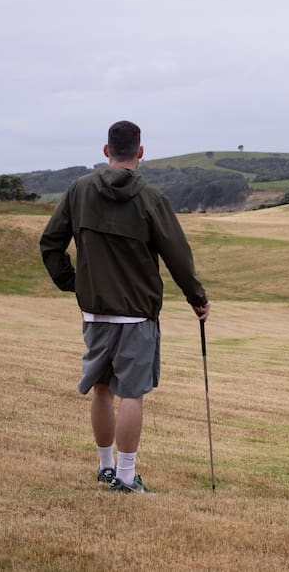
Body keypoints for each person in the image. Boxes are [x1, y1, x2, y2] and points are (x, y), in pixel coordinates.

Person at [40, 120, 210, 493]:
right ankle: (127, 476)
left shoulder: (78, 190)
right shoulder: (151, 197)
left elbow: (51, 242)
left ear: (106, 151)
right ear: (140, 152)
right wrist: (197, 298)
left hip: (95, 311)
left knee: (102, 389)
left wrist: (73, 283)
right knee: (132, 392)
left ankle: (106, 467)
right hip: (137, 313)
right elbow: (177, 255)